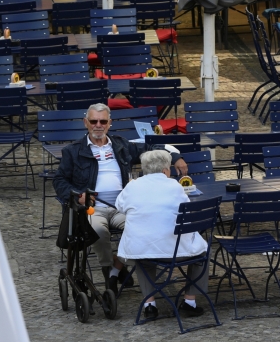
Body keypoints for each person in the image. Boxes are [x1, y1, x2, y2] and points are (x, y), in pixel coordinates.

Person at [52, 103, 188, 291]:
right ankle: (109, 269)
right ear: (86, 123)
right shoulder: (73, 151)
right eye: (93, 121)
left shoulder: (121, 145)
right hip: (93, 207)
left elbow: (151, 147)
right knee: (98, 231)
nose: (98, 125)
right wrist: (77, 197)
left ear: (109, 123)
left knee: (143, 228)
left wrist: (175, 157)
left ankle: (119, 265)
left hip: (122, 206)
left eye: (102, 121)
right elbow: (59, 180)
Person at [115, 150, 208, 321]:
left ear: (144, 169)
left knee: (143, 257)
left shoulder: (133, 186)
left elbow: (119, 207)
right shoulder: (174, 186)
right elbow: (186, 209)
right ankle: (190, 302)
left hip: (142, 251)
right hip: (175, 254)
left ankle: (149, 305)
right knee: (202, 252)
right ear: (166, 169)